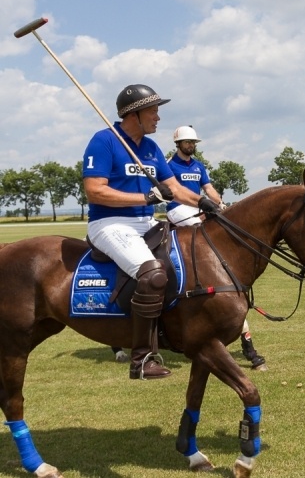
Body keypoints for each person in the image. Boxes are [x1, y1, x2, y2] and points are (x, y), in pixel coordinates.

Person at [83, 84, 220, 380]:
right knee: (152, 273)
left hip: (146, 223)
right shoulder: (104, 141)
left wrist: (205, 203)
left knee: (185, 266)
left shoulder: (151, 148)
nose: (158, 117)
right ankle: (141, 359)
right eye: (154, 110)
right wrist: (144, 199)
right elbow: (94, 191)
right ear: (135, 113)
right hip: (109, 223)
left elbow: (174, 189)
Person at [166, 125, 266, 369]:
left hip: (200, 206)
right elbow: (172, 193)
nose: (192, 145)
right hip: (179, 210)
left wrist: (219, 203)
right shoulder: (169, 165)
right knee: (200, 224)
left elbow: (209, 189)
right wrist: (203, 211)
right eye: (188, 142)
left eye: (194, 142)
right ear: (178, 143)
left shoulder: (199, 166)